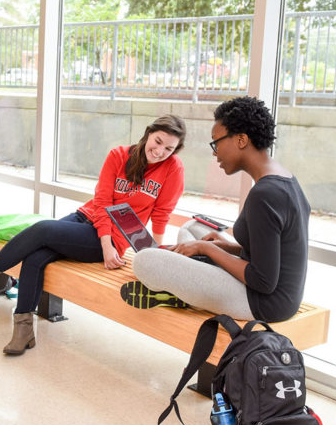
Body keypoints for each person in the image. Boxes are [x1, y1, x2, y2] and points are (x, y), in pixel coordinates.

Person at [0, 115, 187, 355]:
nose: (160, 151)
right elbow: (103, 202)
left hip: (112, 239)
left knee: (43, 229)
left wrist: (147, 254)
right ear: (148, 134)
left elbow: (161, 215)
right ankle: (23, 331)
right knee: (35, 258)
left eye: (169, 148)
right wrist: (104, 239)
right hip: (84, 218)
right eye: (157, 142)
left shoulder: (173, 169)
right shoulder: (119, 155)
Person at [125, 96, 311, 323]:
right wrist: (223, 247)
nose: (215, 153)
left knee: (144, 260)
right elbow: (267, 253)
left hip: (262, 303)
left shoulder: (265, 195)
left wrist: (208, 249)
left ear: (241, 140)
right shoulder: (283, 179)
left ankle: (184, 292)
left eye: (217, 143)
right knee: (194, 228)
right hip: (275, 293)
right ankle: (192, 279)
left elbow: (263, 280)